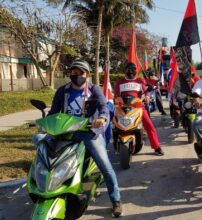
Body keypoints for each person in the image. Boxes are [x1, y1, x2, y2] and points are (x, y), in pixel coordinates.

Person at [32, 59, 122, 217]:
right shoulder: (63, 91)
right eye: (74, 72)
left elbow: (103, 107)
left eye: (81, 72)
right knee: (39, 142)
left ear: (87, 74)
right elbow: (54, 112)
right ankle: (48, 185)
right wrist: (46, 123)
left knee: (105, 166)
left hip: (88, 132)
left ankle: (116, 200)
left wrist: (101, 118)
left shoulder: (94, 89)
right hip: (64, 132)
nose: (77, 75)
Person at [114, 62, 164, 156]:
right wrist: (117, 99)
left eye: (133, 70)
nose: (131, 72)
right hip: (123, 108)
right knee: (115, 125)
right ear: (125, 71)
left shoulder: (140, 80)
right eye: (129, 70)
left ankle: (156, 146)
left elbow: (146, 92)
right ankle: (116, 144)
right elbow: (116, 95)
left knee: (149, 126)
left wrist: (147, 97)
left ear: (136, 71)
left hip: (138, 107)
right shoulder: (119, 82)